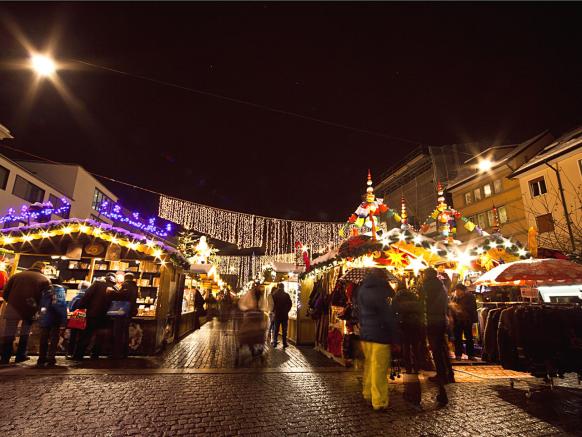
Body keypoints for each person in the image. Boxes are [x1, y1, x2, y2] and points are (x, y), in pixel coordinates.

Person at [356, 268, 397, 411]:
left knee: (370, 366)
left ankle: (367, 394)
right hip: (380, 334)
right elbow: (387, 315)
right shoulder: (381, 290)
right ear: (383, 277)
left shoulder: (363, 288)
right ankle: (379, 401)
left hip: (366, 334)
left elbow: (359, 311)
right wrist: (394, 335)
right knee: (379, 369)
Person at [1, 261, 50, 365]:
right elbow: (46, 299)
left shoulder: (16, 276)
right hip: (30, 310)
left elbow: (5, 292)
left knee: (9, 332)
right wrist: (39, 309)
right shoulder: (45, 279)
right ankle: (20, 355)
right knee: (25, 332)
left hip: (12, 309)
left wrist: (12, 302)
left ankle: (5, 357)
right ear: (42, 268)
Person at [422, 267, 455, 406]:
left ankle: (441, 374)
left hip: (433, 320)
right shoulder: (441, 285)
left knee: (436, 349)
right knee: (442, 348)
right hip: (441, 319)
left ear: (426, 275)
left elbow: (423, 303)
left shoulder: (428, 286)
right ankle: (448, 374)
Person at [72, 273, 116, 360]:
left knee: (86, 335)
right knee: (100, 336)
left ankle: (78, 355)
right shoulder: (114, 288)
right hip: (105, 316)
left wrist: (81, 308)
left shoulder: (97, 284)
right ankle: (95, 354)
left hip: (92, 314)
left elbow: (86, 297)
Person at [393, 281, 423, 374]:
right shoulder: (413, 295)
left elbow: (393, 311)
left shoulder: (396, 297)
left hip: (403, 324)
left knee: (405, 347)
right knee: (415, 346)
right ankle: (417, 367)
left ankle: (408, 369)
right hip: (415, 323)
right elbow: (420, 309)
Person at [36, 281, 68, 368]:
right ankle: (51, 359)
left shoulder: (45, 291)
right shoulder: (59, 291)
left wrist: (42, 316)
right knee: (54, 339)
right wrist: (63, 321)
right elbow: (59, 306)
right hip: (55, 319)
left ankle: (41, 358)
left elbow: (41, 306)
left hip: (45, 318)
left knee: (44, 338)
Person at [110, 273, 139, 359]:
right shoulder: (135, 286)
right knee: (125, 332)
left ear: (125, 278)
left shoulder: (126, 285)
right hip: (129, 312)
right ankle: (124, 352)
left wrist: (112, 292)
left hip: (122, 312)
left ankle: (117, 353)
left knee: (118, 332)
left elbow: (121, 295)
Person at [450, 283, 478, 360]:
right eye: (456, 290)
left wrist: (459, 308)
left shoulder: (470, 296)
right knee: (457, 337)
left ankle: (471, 355)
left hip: (467, 320)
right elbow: (451, 306)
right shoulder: (454, 296)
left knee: (469, 337)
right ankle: (458, 355)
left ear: (463, 290)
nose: (457, 292)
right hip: (457, 320)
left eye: (458, 290)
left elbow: (472, 308)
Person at [67, 281, 90, 359]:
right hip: (85, 317)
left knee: (73, 336)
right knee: (82, 336)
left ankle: (70, 352)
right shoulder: (89, 296)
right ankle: (78, 353)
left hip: (76, 316)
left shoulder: (76, 296)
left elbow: (70, 308)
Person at [271, 283, 292, 348]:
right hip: (284, 315)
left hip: (277, 315)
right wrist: (286, 311)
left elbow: (272, 305)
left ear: (278, 287)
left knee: (276, 329)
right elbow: (290, 304)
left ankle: (275, 343)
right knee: (284, 330)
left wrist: (274, 311)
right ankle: (284, 343)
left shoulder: (274, 295)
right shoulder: (286, 295)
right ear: (283, 287)